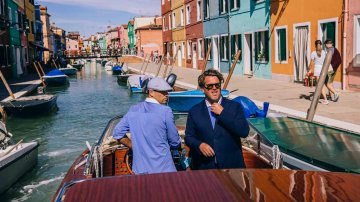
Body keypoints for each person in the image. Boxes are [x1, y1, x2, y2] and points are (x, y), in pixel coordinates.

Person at [112, 77, 181, 174]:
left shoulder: (133, 109)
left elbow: (117, 133)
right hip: (164, 170)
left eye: (167, 92)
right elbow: (175, 141)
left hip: (140, 170)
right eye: (163, 92)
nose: (167, 95)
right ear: (151, 92)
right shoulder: (166, 111)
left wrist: (133, 146)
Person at [185, 70, 250, 170]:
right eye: (210, 86)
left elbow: (244, 131)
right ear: (202, 88)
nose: (214, 88)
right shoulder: (194, 111)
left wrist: (223, 114)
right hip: (205, 167)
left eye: (217, 85)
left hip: (232, 167)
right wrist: (199, 145)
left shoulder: (234, 107)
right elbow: (189, 137)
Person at [309, 40, 329, 104]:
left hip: (317, 69)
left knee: (319, 85)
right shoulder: (324, 52)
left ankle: (325, 99)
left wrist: (309, 70)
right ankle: (319, 97)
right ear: (321, 45)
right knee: (321, 84)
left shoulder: (313, 53)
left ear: (315, 45)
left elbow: (311, 63)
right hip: (323, 69)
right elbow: (326, 61)